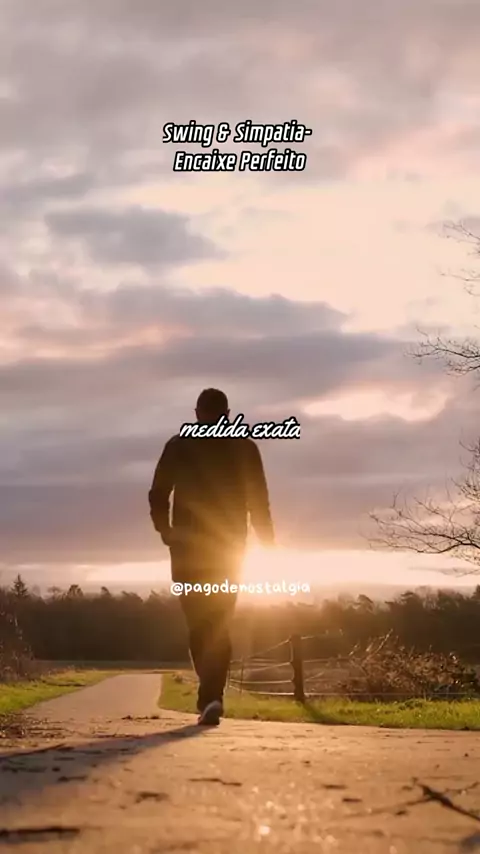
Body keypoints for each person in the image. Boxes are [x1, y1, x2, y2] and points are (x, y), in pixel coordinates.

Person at [148, 388, 274, 725]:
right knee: (218, 621)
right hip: (228, 550)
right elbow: (259, 502)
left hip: (188, 549)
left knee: (199, 623)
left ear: (197, 413)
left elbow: (158, 494)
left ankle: (210, 694)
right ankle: (212, 695)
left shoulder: (179, 445)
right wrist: (269, 544)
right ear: (228, 414)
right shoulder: (245, 447)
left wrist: (166, 531)